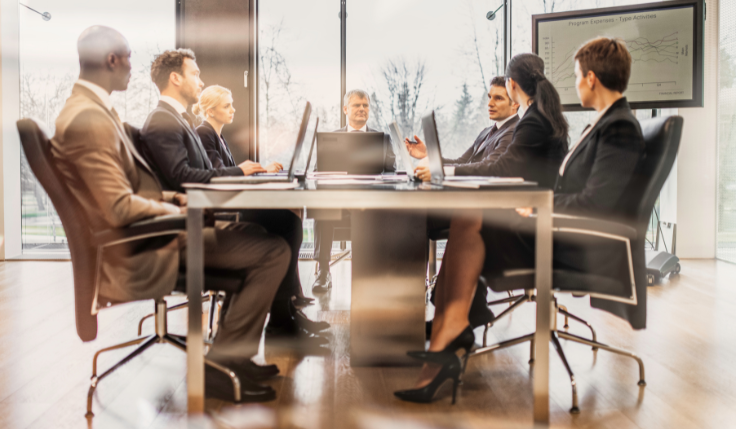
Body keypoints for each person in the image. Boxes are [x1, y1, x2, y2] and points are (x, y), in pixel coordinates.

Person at [51, 26, 290, 402]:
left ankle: (231, 359)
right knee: (273, 250)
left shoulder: (94, 110)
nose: (133, 66)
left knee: (259, 239)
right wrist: (179, 205)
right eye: (128, 56)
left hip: (153, 233)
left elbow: (129, 191)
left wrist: (172, 201)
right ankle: (220, 365)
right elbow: (116, 206)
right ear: (112, 59)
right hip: (145, 247)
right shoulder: (86, 117)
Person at [395, 52, 571, 404]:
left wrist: (447, 173)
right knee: (466, 215)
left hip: (531, 229)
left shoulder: (532, 122)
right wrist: (437, 163)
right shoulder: (537, 117)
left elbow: (502, 166)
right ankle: (448, 329)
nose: (492, 102)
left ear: (513, 85)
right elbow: (484, 164)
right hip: (524, 218)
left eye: (500, 93)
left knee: (467, 217)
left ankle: (451, 331)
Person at [139, 52, 328, 345]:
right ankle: (272, 327)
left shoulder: (178, 120)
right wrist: (240, 173)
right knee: (281, 228)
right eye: (195, 74)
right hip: (190, 226)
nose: (200, 82)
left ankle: (282, 319)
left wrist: (250, 178)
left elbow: (197, 172)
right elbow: (183, 176)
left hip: (203, 214)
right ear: (175, 78)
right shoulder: (162, 120)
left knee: (285, 220)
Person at [311, 89, 396, 293]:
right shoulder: (331, 139)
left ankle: (375, 273)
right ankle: (323, 272)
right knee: (324, 207)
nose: (361, 109)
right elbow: (317, 173)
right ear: (345, 109)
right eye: (357, 105)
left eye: (365, 105)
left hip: (371, 204)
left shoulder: (382, 139)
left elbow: (391, 175)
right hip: (339, 204)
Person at [405, 76, 520, 181]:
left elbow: (488, 165)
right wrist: (428, 155)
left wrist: (441, 172)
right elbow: (461, 162)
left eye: (498, 98)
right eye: (490, 97)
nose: (490, 103)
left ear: (515, 103)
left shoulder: (514, 132)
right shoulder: (486, 131)